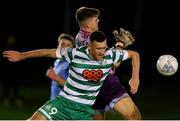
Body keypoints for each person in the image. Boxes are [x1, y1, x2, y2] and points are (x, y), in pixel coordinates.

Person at [2, 31, 140, 120]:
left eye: (104, 48)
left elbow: (135, 54)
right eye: (98, 49)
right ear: (89, 47)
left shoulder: (110, 55)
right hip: (63, 104)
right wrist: (22, 55)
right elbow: (47, 52)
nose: (102, 52)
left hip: (84, 111)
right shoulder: (75, 53)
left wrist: (135, 78)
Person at [74, 7, 141, 120]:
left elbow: (109, 60)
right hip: (106, 84)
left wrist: (117, 47)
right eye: (96, 19)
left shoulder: (81, 38)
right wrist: (120, 44)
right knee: (134, 116)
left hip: (90, 88)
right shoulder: (90, 41)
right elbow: (114, 64)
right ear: (88, 24)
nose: (98, 21)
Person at [45, 33, 75, 100]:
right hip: (55, 102)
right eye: (62, 44)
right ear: (58, 46)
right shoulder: (57, 61)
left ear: (72, 49)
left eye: (68, 45)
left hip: (65, 104)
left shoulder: (72, 64)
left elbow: (73, 88)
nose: (65, 47)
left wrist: (55, 77)